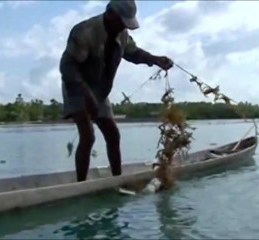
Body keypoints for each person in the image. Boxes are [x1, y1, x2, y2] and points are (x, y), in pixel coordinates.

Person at [59, 0, 174, 182]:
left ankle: (117, 180)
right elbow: (67, 67)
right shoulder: (85, 31)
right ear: (110, 13)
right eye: (121, 21)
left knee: (113, 135)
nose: (123, 26)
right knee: (88, 136)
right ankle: (80, 184)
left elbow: (133, 53)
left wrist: (156, 59)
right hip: (76, 87)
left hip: (100, 91)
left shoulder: (122, 34)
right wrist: (87, 96)